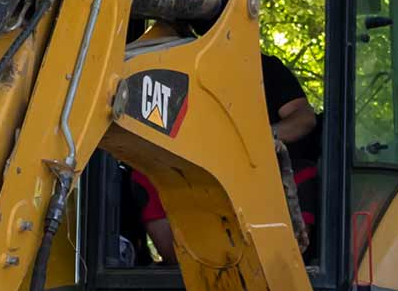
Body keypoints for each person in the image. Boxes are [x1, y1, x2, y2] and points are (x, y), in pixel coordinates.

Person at [136, 52, 320, 261]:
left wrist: (261, 138)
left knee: (302, 173)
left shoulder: (264, 68)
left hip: (261, 172)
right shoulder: (174, 72)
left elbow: (304, 118)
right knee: (145, 174)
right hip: (196, 174)